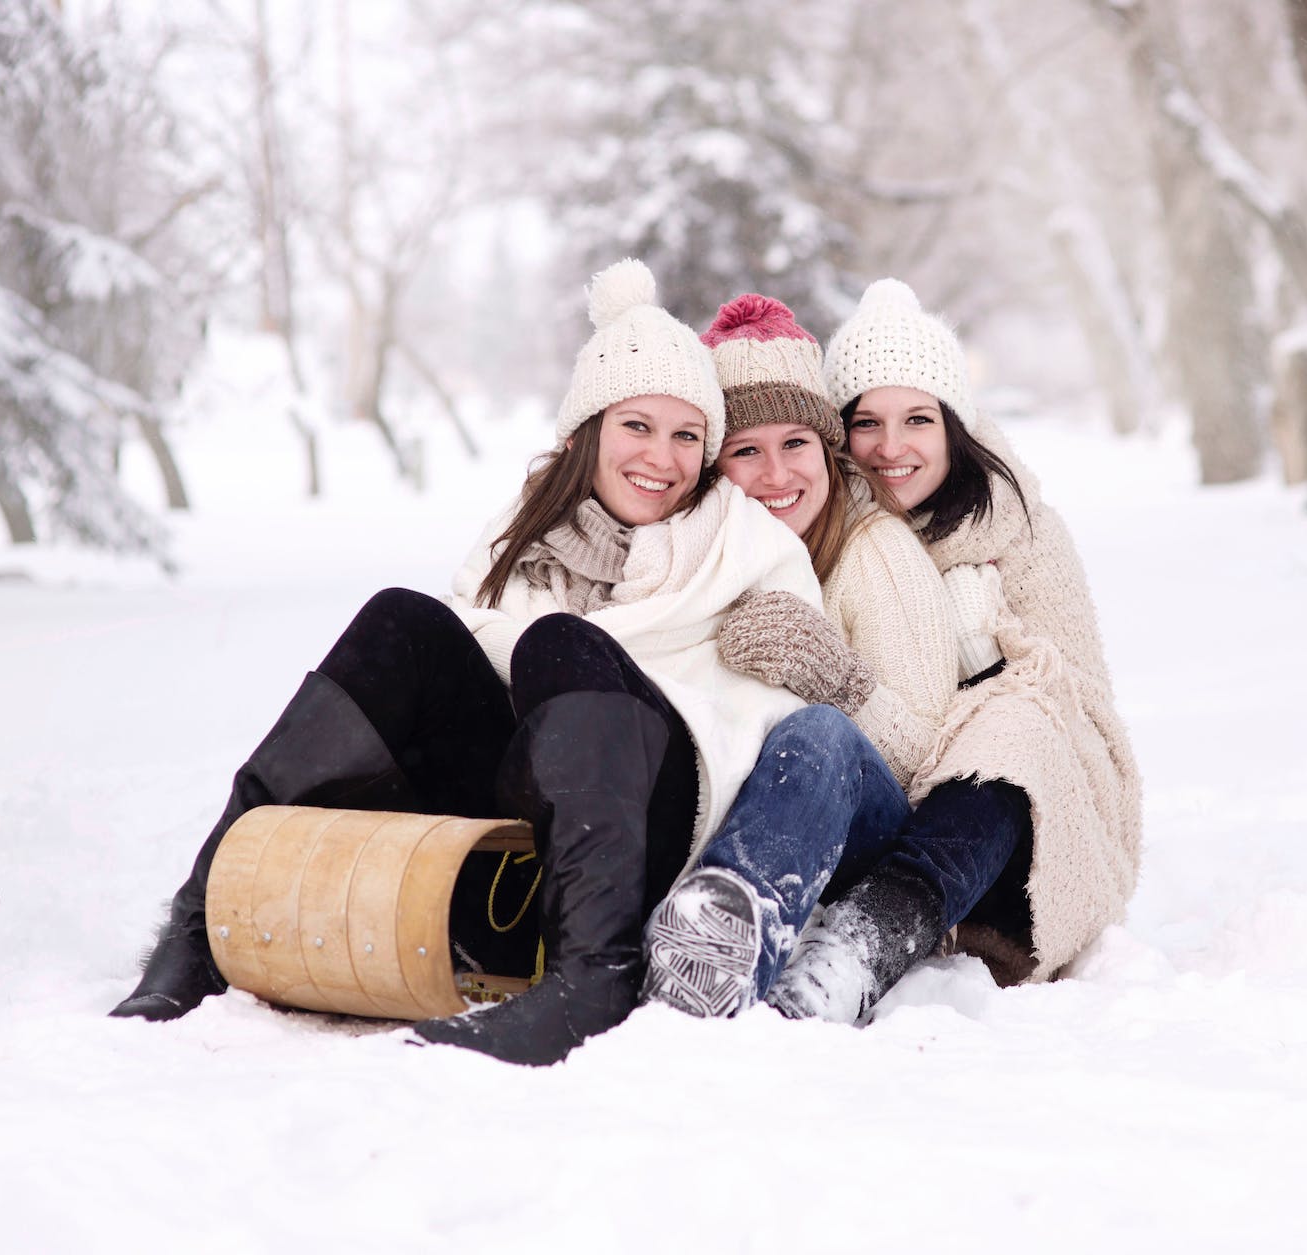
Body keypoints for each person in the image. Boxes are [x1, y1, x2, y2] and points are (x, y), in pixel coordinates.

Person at [110, 260, 818, 1066]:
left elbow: (772, 726)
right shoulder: (525, 534)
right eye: (637, 426)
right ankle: (198, 926)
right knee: (402, 619)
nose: (662, 456)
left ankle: (596, 973)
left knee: (562, 642)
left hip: (658, 819)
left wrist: (580, 662)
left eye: (687, 434)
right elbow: (477, 660)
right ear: (589, 428)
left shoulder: (745, 545)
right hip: (525, 813)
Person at [759, 276, 1145, 1023]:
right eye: (866, 422)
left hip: (1008, 824)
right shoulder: (826, 526)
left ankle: (858, 949)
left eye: (917, 420)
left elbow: (1083, 710)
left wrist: (990, 658)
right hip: (879, 795)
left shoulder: (1018, 528)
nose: (891, 447)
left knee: (1018, 727)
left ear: (953, 427)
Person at [635, 293, 962, 1016]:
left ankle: (725, 933)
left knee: (817, 735)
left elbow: (933, 768)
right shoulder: (708, 552)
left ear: (827, 448)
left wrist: (838, 679)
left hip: (866, 836)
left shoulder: (873, 554)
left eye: (796, 445)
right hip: (740, 808)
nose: (777, 473)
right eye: (746, 451)